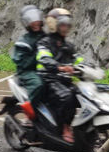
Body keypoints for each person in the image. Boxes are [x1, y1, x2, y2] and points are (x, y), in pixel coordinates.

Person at [36, 8, 83, 143]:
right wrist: (59, 67)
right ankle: (65, 127)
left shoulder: (68, 44)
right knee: (67, 96)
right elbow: (44, 58)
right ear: (53, 25)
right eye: (62, 24)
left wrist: (89, 67)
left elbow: (78, 58)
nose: (65, 28)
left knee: (81, 93)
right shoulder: (44, 42)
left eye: (67, 24)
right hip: (48, 80)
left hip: (64, 81)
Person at [11, 5, 46, 107]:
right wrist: (37, 56)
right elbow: (22, 63)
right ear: (27, 22)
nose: (35, 23)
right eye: (32, 20)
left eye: (36, 19)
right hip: (27, 73)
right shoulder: (23, 42)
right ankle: (30, 110)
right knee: (38, 84)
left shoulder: (45, 37)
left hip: (43, 70)